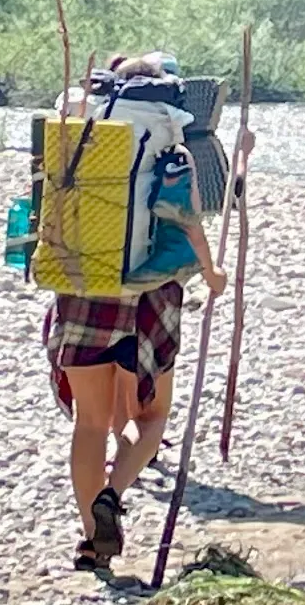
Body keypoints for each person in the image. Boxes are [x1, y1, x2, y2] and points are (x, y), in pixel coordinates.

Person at [43, 52, 221, 571]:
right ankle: (113, 493)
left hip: (83, 288)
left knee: (90, 424)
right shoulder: (170, 145)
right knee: (151, 415)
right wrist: (212, 273)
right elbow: (188, 221)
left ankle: (91, 542)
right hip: (150, 297)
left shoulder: (82, 139)